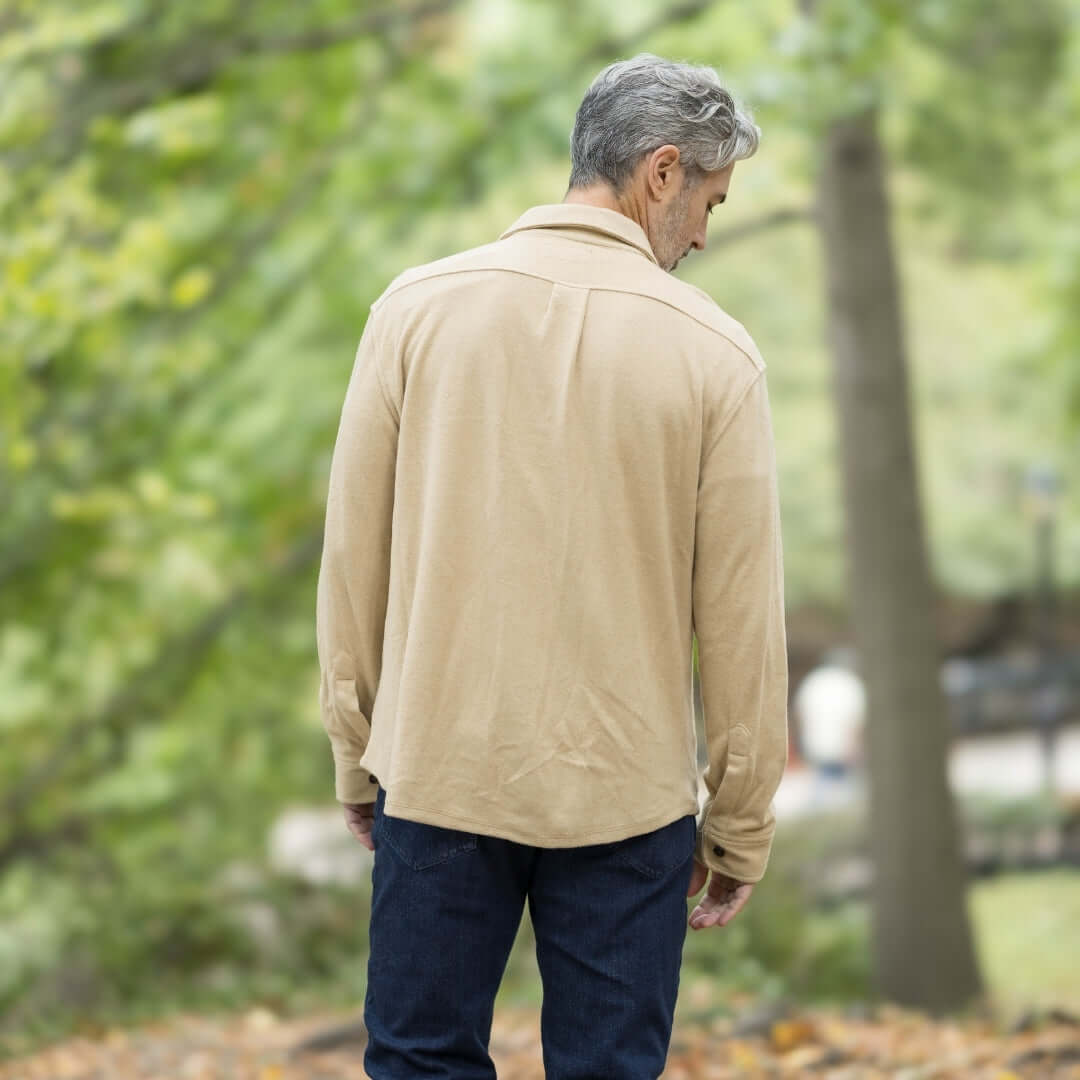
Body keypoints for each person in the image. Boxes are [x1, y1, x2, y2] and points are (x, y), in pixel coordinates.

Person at [315, 51, 789, 1080]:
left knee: (420, 1063)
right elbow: (742, 620)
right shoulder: (716, 355)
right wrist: (740, 821)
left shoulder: (414, 312)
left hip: (439, 774)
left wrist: (357, 748)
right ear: (661, 172)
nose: (706, 229)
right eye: (710, 197)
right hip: (628, 801)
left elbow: (356, 558)